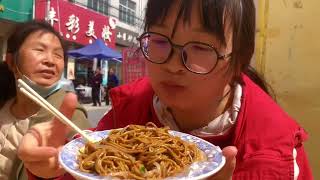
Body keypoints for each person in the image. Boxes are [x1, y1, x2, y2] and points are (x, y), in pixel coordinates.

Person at [19, 0, 313, 179]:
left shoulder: (278, 153)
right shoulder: (124, 118)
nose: (173, 64)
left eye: (200, 47)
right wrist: (47, 171)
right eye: (159, 40)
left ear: (238, 60)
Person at [0, 20, 90, 180]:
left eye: (58, 54)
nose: (50, 61)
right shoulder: (3, 103)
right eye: (40, 50)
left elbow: (88, 165)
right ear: (12, 61)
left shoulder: (70, 116)